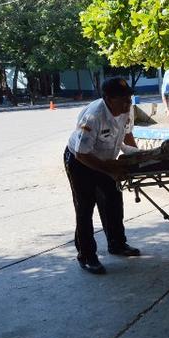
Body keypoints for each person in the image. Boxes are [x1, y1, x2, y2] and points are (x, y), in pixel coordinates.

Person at [64, 77, 141, 275]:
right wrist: (109, 170)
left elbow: (126, 134)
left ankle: (117, 244)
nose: (128, 103)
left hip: (106, 160)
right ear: (108, 98)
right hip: (80, 162)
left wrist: (137, 157)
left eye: (129, 98)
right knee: (85, 208)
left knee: (114, 202)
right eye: (123, 100)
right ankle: (87, 255)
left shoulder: (126, 109)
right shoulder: (94, 116)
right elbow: (82, 152)